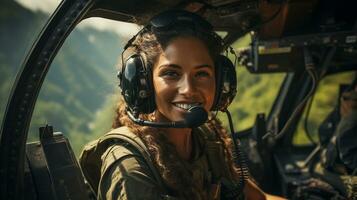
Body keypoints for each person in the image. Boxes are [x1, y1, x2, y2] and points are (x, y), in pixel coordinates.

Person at [80, 10, 284, 200]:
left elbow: (258, 198)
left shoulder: (206, 137)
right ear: (144, 83)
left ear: (221, 83)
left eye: (202, 73)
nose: (188, 89)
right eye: (171, 73)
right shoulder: (129, 166)